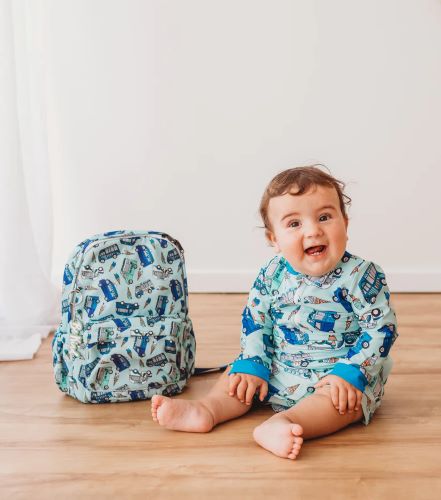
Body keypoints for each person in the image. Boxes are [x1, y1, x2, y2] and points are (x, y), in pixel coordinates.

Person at [151, 165, 398, 460]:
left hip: (338, 376)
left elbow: (381, 329)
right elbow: (256, 319)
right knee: (238, 377)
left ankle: (287, 422)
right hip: (277, 368)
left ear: (344, 222)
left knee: (342, 404)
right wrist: (254, 361)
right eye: (294, 224)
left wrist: (351, 372)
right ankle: (207, 409)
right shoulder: (271, 273)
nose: (313, 230)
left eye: (324, 217)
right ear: (274, 238)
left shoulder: (361, 275)